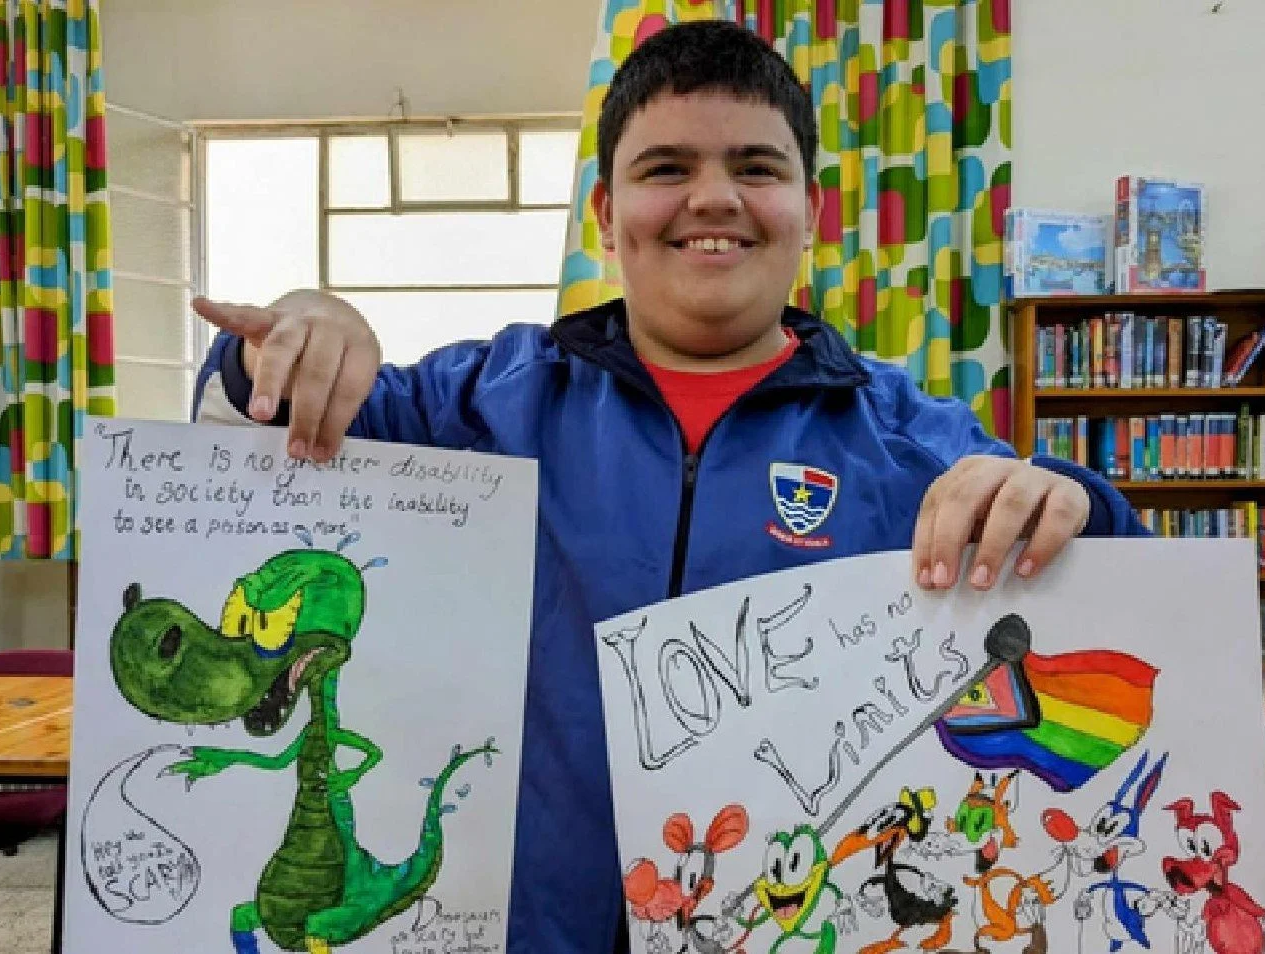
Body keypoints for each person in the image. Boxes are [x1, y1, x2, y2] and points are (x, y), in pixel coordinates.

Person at [192, 19, 1148, 953]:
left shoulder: (904, 441)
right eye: (666, 169)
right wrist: (293, 341)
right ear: (607, 215)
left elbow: (1124, 599)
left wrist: (1070, 500)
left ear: (811, 211)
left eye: (756, 167)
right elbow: (255, 443)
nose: (713, 198)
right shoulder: (484, 402)